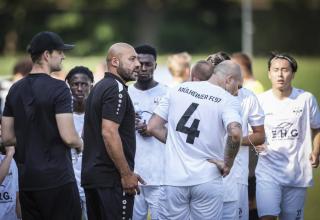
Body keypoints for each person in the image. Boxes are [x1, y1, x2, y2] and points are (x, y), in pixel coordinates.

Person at [1, 31, 83, 220]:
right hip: (57, 179)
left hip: (27, 180)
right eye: (60, 51)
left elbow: (7, 137)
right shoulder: (59, 88)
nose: (63, 56)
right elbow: (69, 137)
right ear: (47, 55)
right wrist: (80, 143)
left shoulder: (15, 89)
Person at [147, 60, 243, 220]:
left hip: (173, 178)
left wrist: (176, 143)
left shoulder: (177, 89)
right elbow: (235, 133)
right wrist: (228, 163)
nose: (237, 92)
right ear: (229, 79)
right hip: (208, 178)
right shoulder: (228, 100)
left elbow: (152, 127)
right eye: (238, 86)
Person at [81, 42, 144, 220]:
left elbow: (87, 134)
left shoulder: (98, 87)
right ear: (115, 62)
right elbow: (109, 132)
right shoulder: (115, 88)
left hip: (95, 178)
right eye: (132, 59)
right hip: (111, 180)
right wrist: (126, 174)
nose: (138, 64)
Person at [255, 53, 320, 220]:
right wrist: (256, 143)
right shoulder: (260, 101)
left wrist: (316, 151)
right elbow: (253, 133)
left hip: (296, 174)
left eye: (285, 70)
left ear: (293, 73)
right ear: (269, 73)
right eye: (275, 70)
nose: (280, 74)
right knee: (267, 217)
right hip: (267, 172)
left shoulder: (306, 99)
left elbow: (317, 128)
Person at [202, 53, 266, 220]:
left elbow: (260, 135)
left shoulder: (248, 97)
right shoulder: (202, 96)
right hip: (203, 176)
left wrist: (233, 142)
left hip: (236, 177)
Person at [127, 45, 167, 220]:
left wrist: (153, 129)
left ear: (155, 66)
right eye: (140, 63)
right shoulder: (125, 93)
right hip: (133, 174)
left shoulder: (168, 93)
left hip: (161, 175)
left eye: (148, 64)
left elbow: (175, 131)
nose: (143, 68)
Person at [66, 66, 94, 220]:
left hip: (91, 182)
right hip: (68, 182)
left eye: (84, 84)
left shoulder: (99, 112)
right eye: (75, 84)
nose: (79, 88)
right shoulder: (61, 114)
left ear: (92, 85)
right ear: (68, 86)